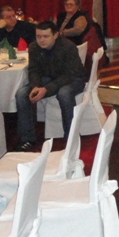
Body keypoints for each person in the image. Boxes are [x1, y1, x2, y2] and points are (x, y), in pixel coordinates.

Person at [14, 21, 85, 150]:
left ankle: (71, 137)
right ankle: (27, 139)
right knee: (21, 94)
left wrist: (46, 89)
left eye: (46, 36)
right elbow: (34, 70)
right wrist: (35, 86)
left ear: (55, 35)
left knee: (64, 93)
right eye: (38, 36)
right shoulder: (34, 47)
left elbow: (70, 74)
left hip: (74, 79)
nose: (41, 40)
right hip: (49, 79)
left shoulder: (68, 47)